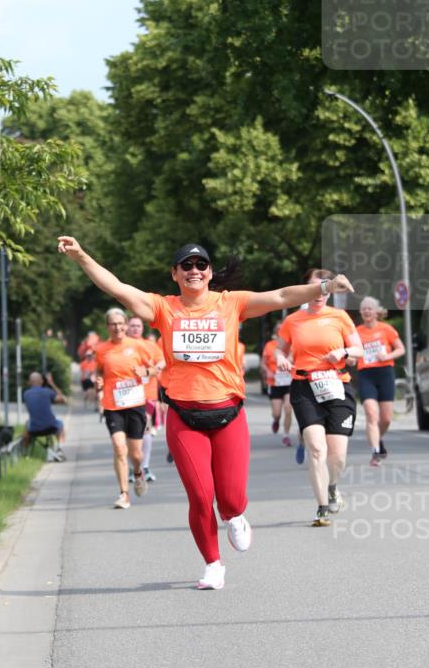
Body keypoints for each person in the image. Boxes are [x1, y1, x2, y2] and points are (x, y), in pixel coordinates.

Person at [58, 236, 354, 588]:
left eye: (201, 265)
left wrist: (325, 285)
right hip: (185, 418)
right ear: (175, 274)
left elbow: (281, 297)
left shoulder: (232, 303)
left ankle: (235, 515)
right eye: (186, 265)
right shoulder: (163, 309)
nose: (194, 270)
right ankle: (213, 564)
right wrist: (81, 257)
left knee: (230, 499)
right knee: (200, 496)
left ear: (210, 273)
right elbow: (118, 289)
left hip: (228, 415)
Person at [277, 269, 364, 527]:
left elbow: (358, 350)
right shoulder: (293, 320)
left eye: (326, 288)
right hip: (304, 386)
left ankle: (333, 486)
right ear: (307, 291)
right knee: (316, 448)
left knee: (337, 456)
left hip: (337, 385)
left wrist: (344, 351)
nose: (320, 293)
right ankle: (322, 507)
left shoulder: (340, 317)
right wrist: (282, 359)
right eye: (316, 287)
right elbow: (281, 351)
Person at [95, 308, 160, 508]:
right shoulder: (102, 350)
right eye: (113, 324)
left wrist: (145, 371)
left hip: (135, 405)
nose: (118, 327)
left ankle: (138, 471)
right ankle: (124, 494)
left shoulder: (138, 346)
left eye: (120, 323)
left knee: (136, 455)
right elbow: (100, 372)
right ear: (107, 327)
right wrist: (98, 381)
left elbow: (157, 366)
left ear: (125, 325)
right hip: (113, 406)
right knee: (119, 448)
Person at [353, 296, 406, 466]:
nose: (367, 311)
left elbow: (401, 349)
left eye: (370, 308)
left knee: (386, 419)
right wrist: (351, 359)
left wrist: (387, 356)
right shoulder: (356, 332)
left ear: (376, 312)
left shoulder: (386, 329)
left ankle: (378, 439)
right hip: (365, 375)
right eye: (364, 309)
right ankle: (376, 451)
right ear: (361, 312)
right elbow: (352, 353)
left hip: (385, 373)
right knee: (371, 414)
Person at [126, 317, 165, 482]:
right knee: (131, 433)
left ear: (142, 328)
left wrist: (152, 370)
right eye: (132, 326)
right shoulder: (122, 345)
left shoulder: (150, 345)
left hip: (147, 395)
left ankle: (146, 467)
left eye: (138, 326)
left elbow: (162, 361)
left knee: (146, 429)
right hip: (126, 395)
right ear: (127, 327)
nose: (135, 328)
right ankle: (132, 468)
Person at [260, 323, 295, 447]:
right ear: (276, 332)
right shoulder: (270, 345)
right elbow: (263, 363)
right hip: (274, 382)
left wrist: (291, 358)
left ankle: (286, 435)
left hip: (289, 381)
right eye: (279, 330)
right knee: (277, 412)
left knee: (288, 408)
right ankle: (276, 420)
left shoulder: (293, 344)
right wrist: (268, 371)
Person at [23, 371, 67, 460]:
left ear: (29, 382)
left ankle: (26, 452)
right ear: (42, 381)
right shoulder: (47, 392)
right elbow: (63, 400)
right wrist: (52, 383)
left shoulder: (26, 394)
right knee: (60, 423)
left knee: (27, 424)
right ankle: (58, 448)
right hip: (51, 427)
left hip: (34, 429)